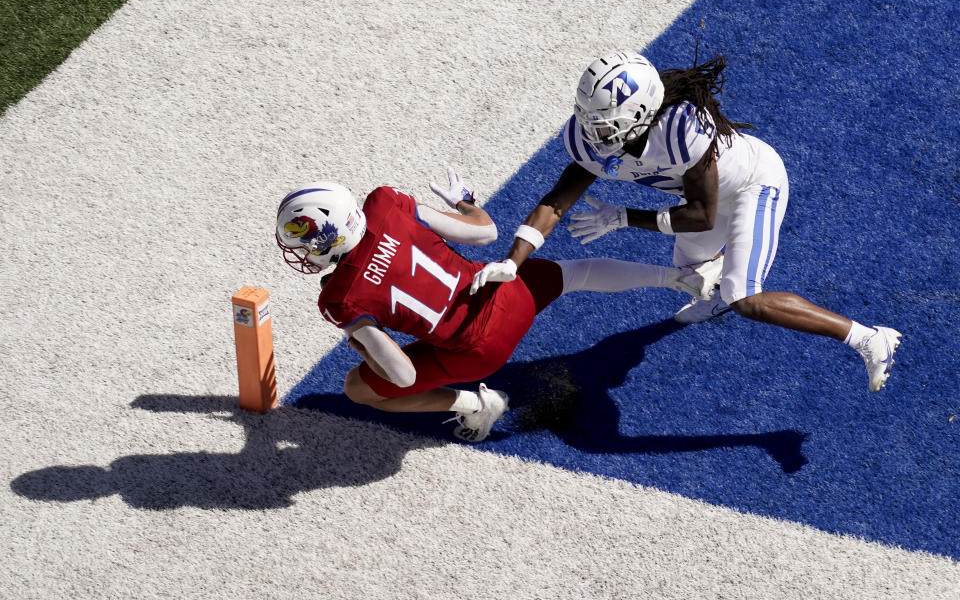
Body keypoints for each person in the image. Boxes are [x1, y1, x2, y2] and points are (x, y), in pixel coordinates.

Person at [470, 51, 901, 392]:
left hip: (753, 186)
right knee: (692, 275)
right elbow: (556, 201)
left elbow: (699, 216)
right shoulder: (596, 137)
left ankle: (868, 337)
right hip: (698, 203)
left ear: (639, 116)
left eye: (604, 125)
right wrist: (514, 261)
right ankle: (713, 287)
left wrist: (623, 218)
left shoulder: (682, 129)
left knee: (744, 297)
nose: (592, 133)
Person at [275, 170, 715, 442]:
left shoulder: (339, 299)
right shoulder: (386, 205)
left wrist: (362, 341)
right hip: (504, 291)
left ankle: (474, 405)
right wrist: (464, 201)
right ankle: (679, 278)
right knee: (576, 273)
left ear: (323, 241)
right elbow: (485, 233)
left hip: (477, 351)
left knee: (358, 387)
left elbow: (403, 374)